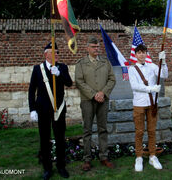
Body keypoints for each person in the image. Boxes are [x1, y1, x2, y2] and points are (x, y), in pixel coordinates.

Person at [28, 42, 72, 180]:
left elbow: (69, 83)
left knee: (60, 138)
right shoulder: (37, 69)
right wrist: (32, 109)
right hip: (43, 109)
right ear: (46, 54)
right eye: (54, 52)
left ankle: (61, 166)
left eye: (58, 52)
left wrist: (59, 74)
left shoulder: (62, 67)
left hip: (58, 109)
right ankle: (47, 168)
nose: (57, 54)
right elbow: (31, 91)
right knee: (44, 139)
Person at [75, 36, 116, 171]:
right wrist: (94, 94)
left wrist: (102, 93)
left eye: (98, 46)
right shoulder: (81, 63)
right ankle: (87, 159)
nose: (96, 49)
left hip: (103, 100)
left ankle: (103, 157)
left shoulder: (105, 62)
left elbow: (112, 79)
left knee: (102, 129)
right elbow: (79, 81)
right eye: (93, 47)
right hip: (87, 100)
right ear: (87, 48)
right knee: (87, 130)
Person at [128, 44, 168, 172]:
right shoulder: (132, 69)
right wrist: (150, 88)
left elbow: (164, 75)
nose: (141, 54)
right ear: (136, 54)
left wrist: (164, 61)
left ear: (146, 53)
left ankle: (152, 156)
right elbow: (134, 86)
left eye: (143, 52)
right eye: (139, 52)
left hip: (152, 104)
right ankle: (139, 156)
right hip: (139, 103)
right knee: (139, 131)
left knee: (151, 131)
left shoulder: (152, 66)